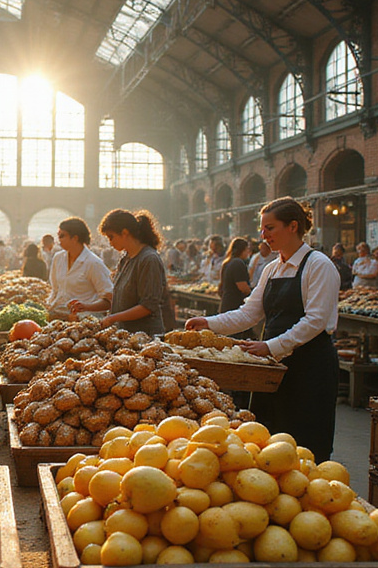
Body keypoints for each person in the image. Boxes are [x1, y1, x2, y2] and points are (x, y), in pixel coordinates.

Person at [185, 197, 341, 462]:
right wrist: (209, 323)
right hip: (270, 367)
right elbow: (249, 313)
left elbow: (315, 321)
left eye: (270, 228)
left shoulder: (319, 265)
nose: (263, 235)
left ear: (293, 226)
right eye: (263, 228)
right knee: (268, 441)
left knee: (306, 442)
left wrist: (270, 346)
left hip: (309, 365)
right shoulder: (272, 268)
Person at [98, 209, 167, 335]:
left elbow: (147, 306)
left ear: (125, 233)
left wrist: (113, 318)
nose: (110, 242)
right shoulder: (126, 259)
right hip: (125, 334)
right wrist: (88, 306)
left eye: (111, 237)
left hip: (145, 336)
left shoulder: (148, 259)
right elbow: (123, 300)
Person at [46, 217, 113, 321]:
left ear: (75, 238)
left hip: (84, 320)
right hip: (59, 316)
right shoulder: (58, 258)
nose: (59, 240)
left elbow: (108, 298)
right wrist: (49, 305)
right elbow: (55, 290)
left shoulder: (93, 263)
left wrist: (86, 307)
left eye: (62, 236)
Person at [219, 237, 251, 314]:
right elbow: (243, 287)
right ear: (242, 250)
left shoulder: (227, 263)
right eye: (247, 249)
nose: (248, 252)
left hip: (227, 304)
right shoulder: (238, 263)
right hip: (235, 306)